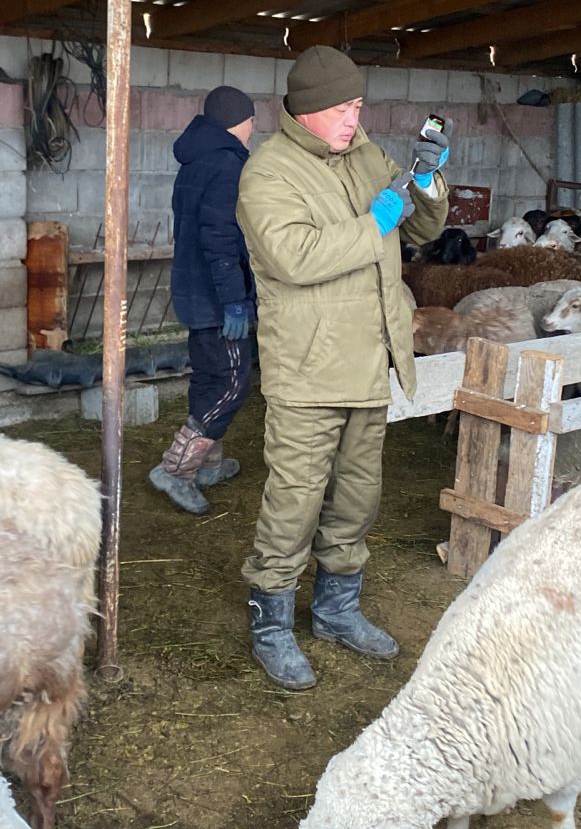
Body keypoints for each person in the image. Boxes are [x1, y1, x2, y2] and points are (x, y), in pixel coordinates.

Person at [236, 44, 451, 690]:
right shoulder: (267, 175)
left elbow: (420, 231)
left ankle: (336, 611)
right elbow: (294, 257)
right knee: (294, 501)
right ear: (303, 112)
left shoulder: (367, 156)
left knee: (357, 498)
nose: (351, 119)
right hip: (308, 371)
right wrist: (373, 221)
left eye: (356, 105)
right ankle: (271, 624)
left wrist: (424, 181)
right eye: (338, 109)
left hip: (368, 360)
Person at [149, 85, 256, 517]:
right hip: (217, 296)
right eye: (251, 120)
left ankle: (208, 462)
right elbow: (220, 238)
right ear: (236, 121)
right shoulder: (227, 164)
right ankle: (177, 469)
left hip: (194, 289)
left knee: (210, 377)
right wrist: (235, 301)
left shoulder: (194, 160)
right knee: (231, 384)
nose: (253, 128)